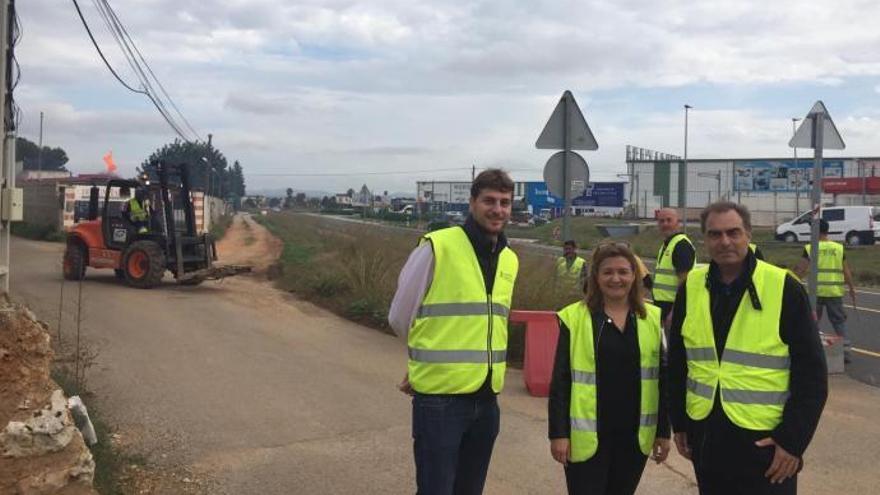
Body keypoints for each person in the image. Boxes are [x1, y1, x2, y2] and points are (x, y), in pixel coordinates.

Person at [669, 202, 828, 495]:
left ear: (748, 235)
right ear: (705, 239)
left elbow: (812, 375)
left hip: (765, 445)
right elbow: (679, 361)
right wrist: (679, 422)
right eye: (715, 234)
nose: (725, 241)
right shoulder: (691, 287)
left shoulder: (784, 287)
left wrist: (792, 441)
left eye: (733, 232)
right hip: (706, 438)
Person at [388, 168, 519, 495]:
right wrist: (424, 365)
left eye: (505, 202)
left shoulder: (510, 259)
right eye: (489, 200)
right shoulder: (437, 246)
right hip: (441, 402)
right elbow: (400, 315)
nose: (497, 209)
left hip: (487, 401)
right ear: (472, 202)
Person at [548, 241, 669, 495]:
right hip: (588, 436)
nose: (616, 279)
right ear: (596, 277)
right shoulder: (575, 318)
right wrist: (558, 434)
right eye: (608, 272)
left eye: (623, 272)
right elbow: (561, 380)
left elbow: (662, 381)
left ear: (634, 276)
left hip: (634, 437)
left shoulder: (652, 319)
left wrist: (663, 432)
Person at [794, 219, 856, 362]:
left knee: (812, 322)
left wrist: (790, 280)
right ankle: (846, 353)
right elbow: (846, 271)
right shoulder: (838, 248)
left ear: (816, 231)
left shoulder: (810, 248)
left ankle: (812, 351)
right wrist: (852, 289)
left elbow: (801, 270)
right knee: (839, 322)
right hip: (834, 292)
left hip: (816, 293)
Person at [652, 208, 695, 325]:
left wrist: (674, 311)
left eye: (669, 220)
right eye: (661, 221)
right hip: (662, 306)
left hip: (673, 308)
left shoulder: (681, 245)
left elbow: (685, 282)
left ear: (678, 222)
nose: (665, 224)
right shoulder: (667, 245)